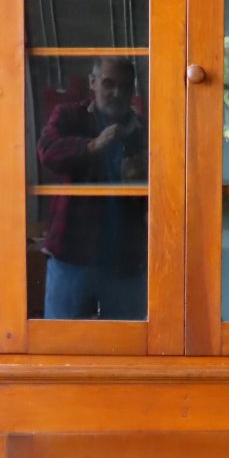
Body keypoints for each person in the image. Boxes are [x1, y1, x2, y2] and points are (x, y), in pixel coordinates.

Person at [37, 56, 147, 320]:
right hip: (72, 253)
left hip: (125, 258)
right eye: (108, 83)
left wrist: (141, 177)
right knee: (62, 344)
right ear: (93, 82)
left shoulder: (143, 128)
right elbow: (48, 153)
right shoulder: (69, 115)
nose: (116, 92)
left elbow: (169, 189)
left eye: (124, 86)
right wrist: (93, 145)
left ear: (133, 90)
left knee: (129, 348)